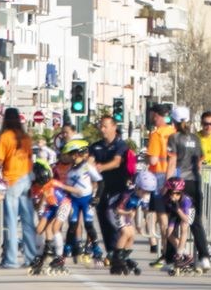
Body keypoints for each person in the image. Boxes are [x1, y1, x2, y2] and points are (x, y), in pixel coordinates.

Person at [166, 105, 211, 271]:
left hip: (180, 183)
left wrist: (167, 183)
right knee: (195, 221)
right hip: (195, 182)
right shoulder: (195, 138)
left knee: (174, 219)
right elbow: (199, 161)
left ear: (174, 121)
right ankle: (204, 257)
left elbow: (172, 161)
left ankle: (172, 259)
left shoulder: (174, 138)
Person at [0, 107, 37, 268]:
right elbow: (30, 157)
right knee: (28, 220)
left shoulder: (5, 137)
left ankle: (11, 259)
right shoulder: (25, 137)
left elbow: (0, 160)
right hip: (26, 178)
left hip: (11, 179)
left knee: (11, 221)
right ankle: (31, 257)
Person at [89, 116, 130, 257]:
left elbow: (117, 162)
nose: (102, 129)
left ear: (114, 127)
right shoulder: (95, 146)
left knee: (114, 218)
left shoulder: (121, 145)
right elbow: (89, 162)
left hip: (118, 187)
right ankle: (111, 251)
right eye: (101, 126)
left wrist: (101, 167)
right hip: (101, 188)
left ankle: (120, 249)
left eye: (105, 126)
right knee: (103, 219)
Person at [62, 139, 104, 264]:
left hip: (87, 200)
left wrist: (97, 197)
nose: (69, 157)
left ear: (76, 154)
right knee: (72, 225)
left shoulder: (87, 167)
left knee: (88, 224)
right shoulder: (70, 169)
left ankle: (95, 248)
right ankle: (67, 248)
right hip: (74, 200)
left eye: (70, 154)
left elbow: (100, 181)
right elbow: (68, 187)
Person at [28, 159, 73, 275]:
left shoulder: (52, 183)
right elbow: (37, 207)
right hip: (51, 206)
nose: (42, 186)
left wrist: (78, 194)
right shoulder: (33, 188)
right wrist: (42, 198)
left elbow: (67, 189)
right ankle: (42, 254)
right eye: (40, 184)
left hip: (63, 204)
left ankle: (59, 256)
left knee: (54, 228)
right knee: (39, 229)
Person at [108, 171, 156, 276]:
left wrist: (141, 223)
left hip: (126, 213)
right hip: (115, 211)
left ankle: (125, 256)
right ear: (138, 187)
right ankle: (117, 257)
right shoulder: (127, 195)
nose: (146, 194)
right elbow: (118, 210)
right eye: (145, 191)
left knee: (132, 234)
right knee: (125, 233)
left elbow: (143, 210)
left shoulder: (142, 196)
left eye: (149, 192)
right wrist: (128, 213)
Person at [146, 104, 176, 256]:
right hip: (175, 174)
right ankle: (172, 248)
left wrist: (146, 158)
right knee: (172, 214)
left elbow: (153, 160)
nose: (152, 118)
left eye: (153, 115)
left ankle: (165, 250)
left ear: (157, 116)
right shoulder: (174, 132)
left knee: (162, 215)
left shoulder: (156, 134)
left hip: (159, 175)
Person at [162, 177, 198, 273]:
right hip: (175, 211)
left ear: (181, 192)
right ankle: (188, 255)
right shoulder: (167, 198)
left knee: (184, 226)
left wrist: (178, 208)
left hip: (187, 212)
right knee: (168, 233)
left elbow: (186, 219)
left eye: (177, 193)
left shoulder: (186, 200)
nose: (174, 195)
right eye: (171, 193)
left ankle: (179, 254)